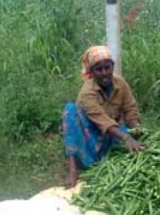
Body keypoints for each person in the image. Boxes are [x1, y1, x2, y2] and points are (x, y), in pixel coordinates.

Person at [62, 45, 145, 188]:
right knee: (70, 111)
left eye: (107, 67)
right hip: (90, 133)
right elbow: (101, 119)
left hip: (112, 133)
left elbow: (130, 108)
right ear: (92, 72)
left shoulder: (120, 83)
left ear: (112, 67)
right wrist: (126, 138)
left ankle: (109, 157)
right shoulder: (87, 92)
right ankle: (73, 169)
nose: (104, 73)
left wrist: (135, 129)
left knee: (133, 144)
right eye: (98, 69)